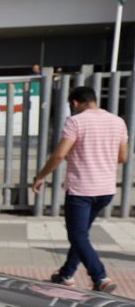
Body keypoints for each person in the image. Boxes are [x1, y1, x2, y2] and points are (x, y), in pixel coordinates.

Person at [32, 85, 130, 293]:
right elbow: (123, 157)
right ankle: (66, 275)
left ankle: (100, 276)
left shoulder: (75, 121)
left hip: (82, 189)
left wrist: (41, 176)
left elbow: (59, 154)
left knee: (77, 235)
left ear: (75, 103)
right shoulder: (118, 122)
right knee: (81, 234)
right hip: (106, 189)